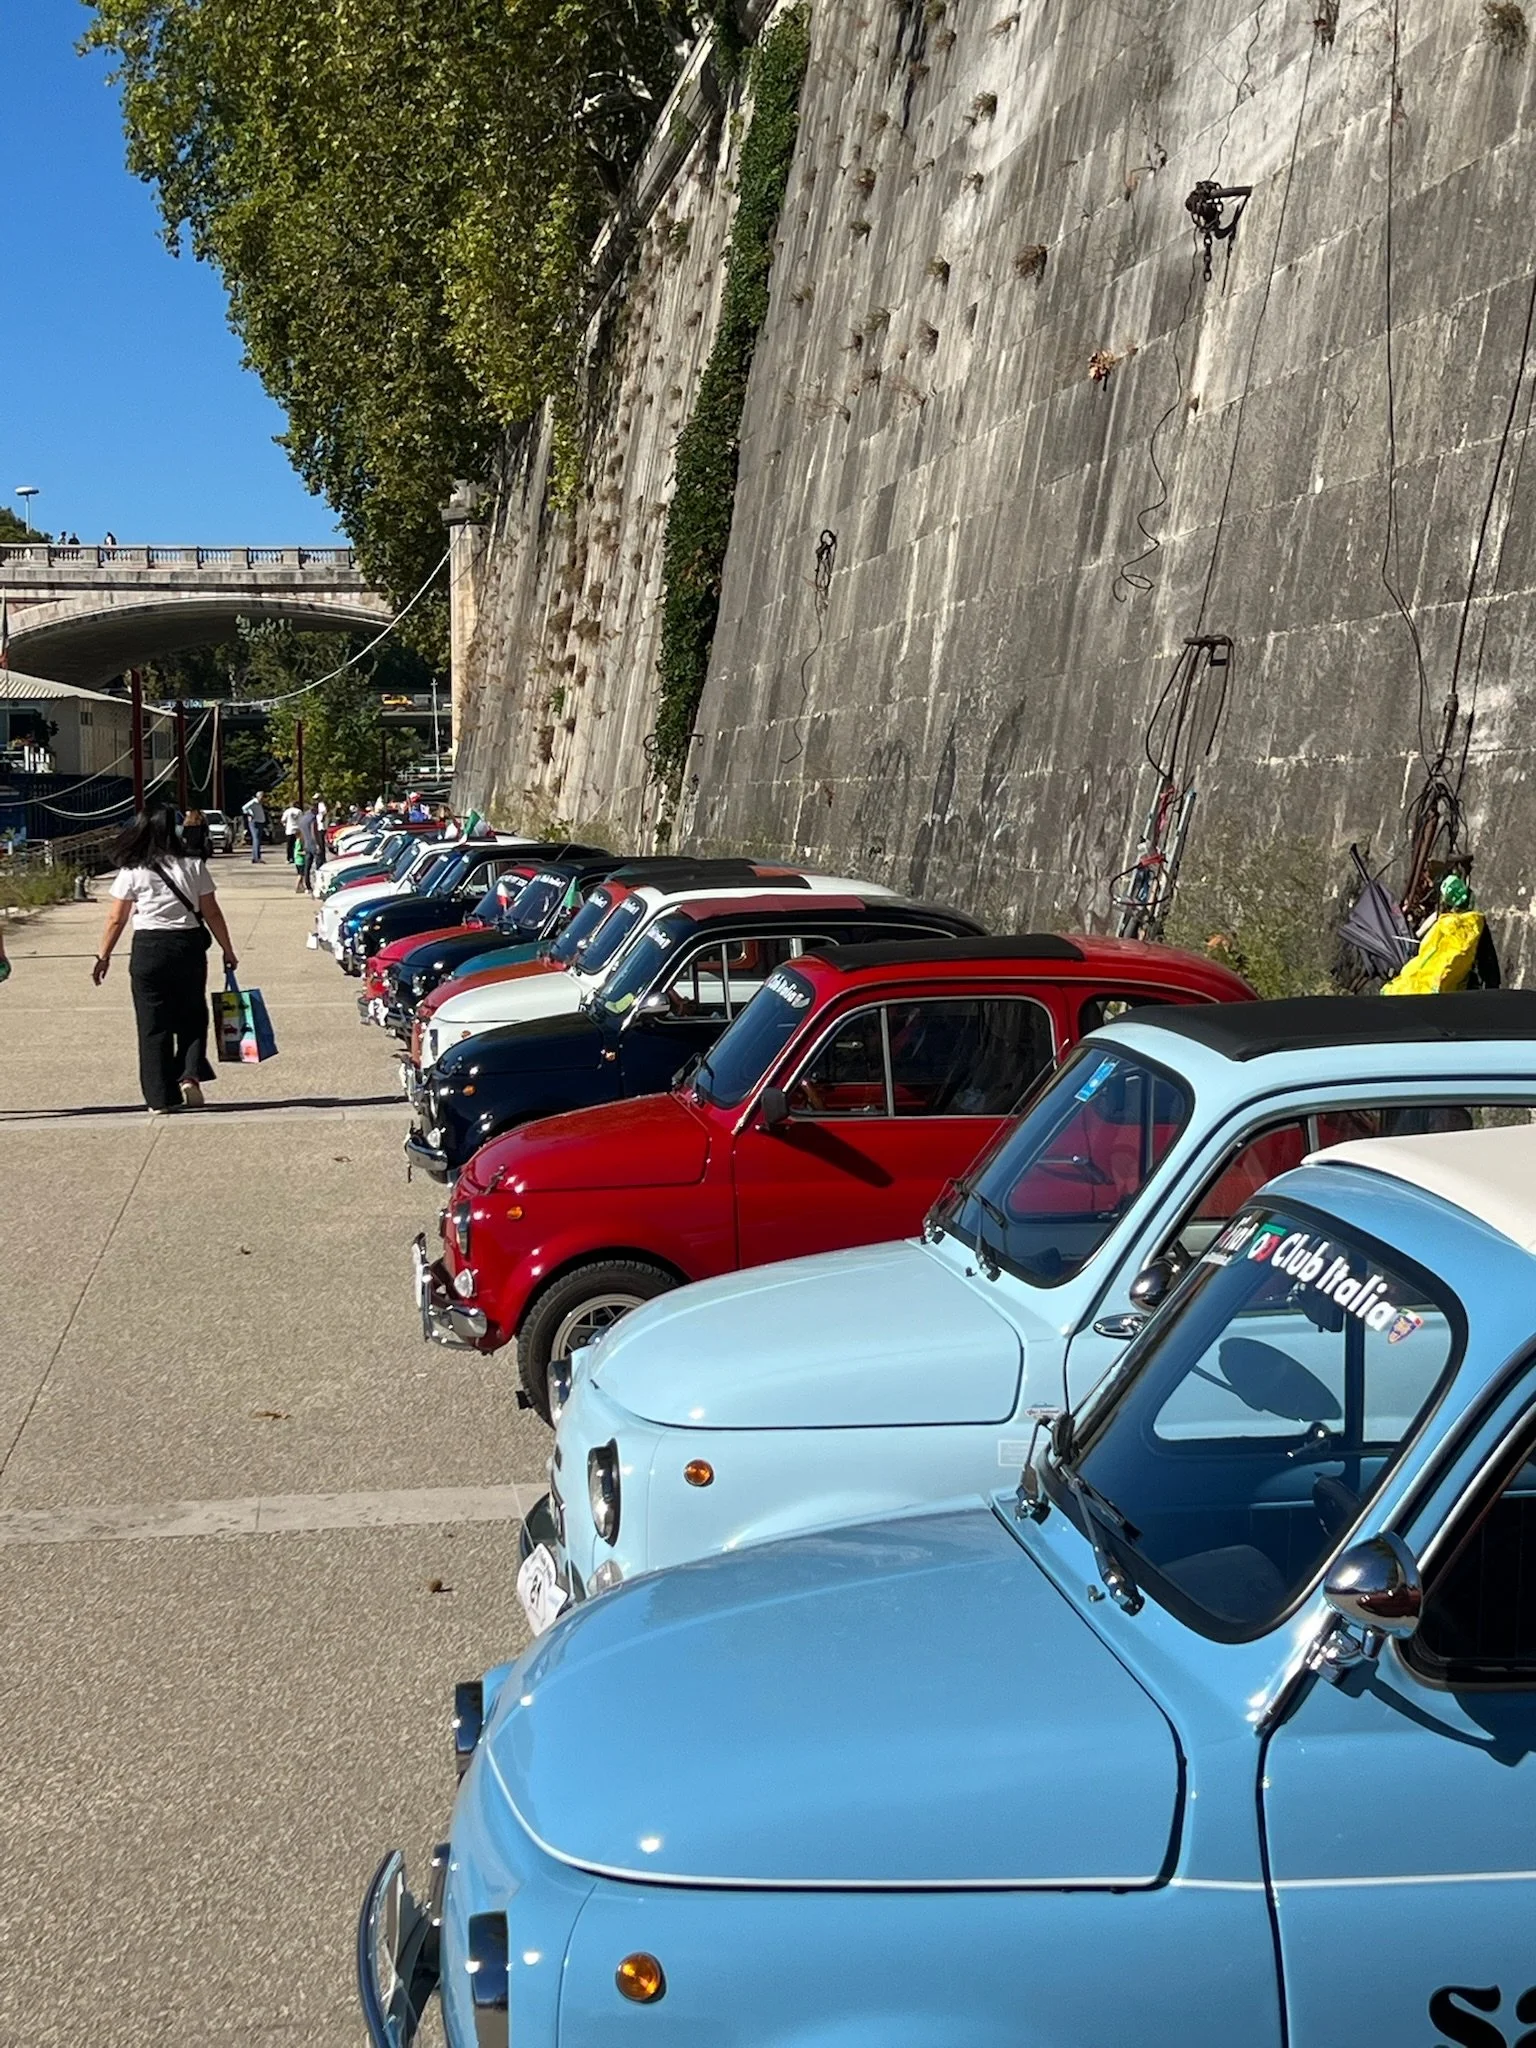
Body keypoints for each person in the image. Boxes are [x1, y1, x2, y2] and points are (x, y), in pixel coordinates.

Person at [92, 802, 238, 1116]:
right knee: (192, 1016)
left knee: (152, 1025)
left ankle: (159, 1097)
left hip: (148, 949)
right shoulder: (193, 865)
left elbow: (116, 919)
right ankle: (188, 1074)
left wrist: (103, 955)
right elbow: (211, 911)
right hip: (187, 947)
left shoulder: (133, 869)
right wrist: (228, 948)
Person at [242, 790, 268, 862]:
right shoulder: (253, 802)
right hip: (255, 822)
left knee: (258, 840)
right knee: (256, 839)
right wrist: (250, 814)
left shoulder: (259, 803)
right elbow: (244, 808)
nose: (263, 798)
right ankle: (257, 858)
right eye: (261, 797)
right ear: (258, 796)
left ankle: (255, 857)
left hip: (260, 822)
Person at [281, 799, 303, 865]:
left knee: (289, 845)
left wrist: (285, 825)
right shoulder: (299, 811)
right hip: (298, 829)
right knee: (297, 845)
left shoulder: (287, 811)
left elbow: (283, 820)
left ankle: (289, 858)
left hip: (290, 829)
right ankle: (296, 857)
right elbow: (301, 820)